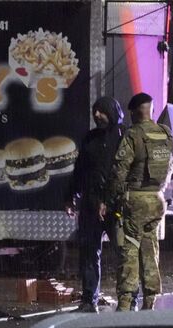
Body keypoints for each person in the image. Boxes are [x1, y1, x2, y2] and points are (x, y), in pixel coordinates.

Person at [100, 92, 173, 311]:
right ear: (151, 109)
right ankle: (150, 301)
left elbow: (119, 172)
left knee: (130, 249)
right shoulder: (166, 133)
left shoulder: (133, 134)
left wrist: (108, 199)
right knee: (151, 249)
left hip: (135, 200)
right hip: (158, 200)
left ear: (134, 111)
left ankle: (125, 303)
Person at [65, 96, 127, 313]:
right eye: (95, 111)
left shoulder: (124, 137)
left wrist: (112, 200)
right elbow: (80, 170)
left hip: (116, 206)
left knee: (124, 253)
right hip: (91, 206)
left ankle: (129, 300)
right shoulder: (90, 138)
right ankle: (89, 300)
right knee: (90, 253)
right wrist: (71, 196)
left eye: (101, 111)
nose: (97, 115)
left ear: (112, 112)